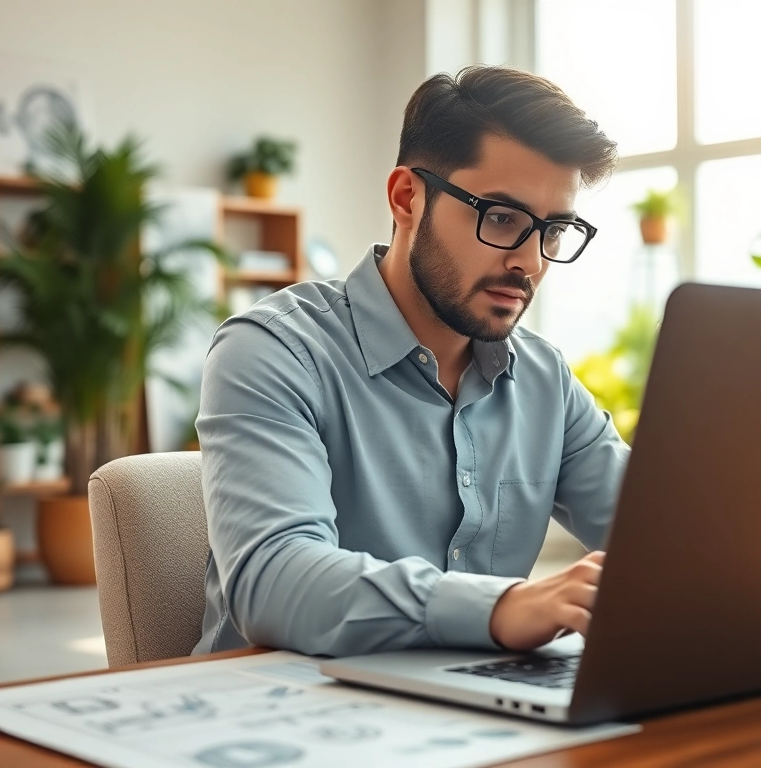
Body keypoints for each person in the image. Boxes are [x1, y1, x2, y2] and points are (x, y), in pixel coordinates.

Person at [194, 65, 628, 659]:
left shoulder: (544, 379)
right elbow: (272, 580)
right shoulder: (273, 351)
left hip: (472, 712)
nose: (531, 262)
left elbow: (658, 540)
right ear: (407, 198)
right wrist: (499, 608)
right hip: (281, 718)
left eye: (554, 231)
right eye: (501, 219)